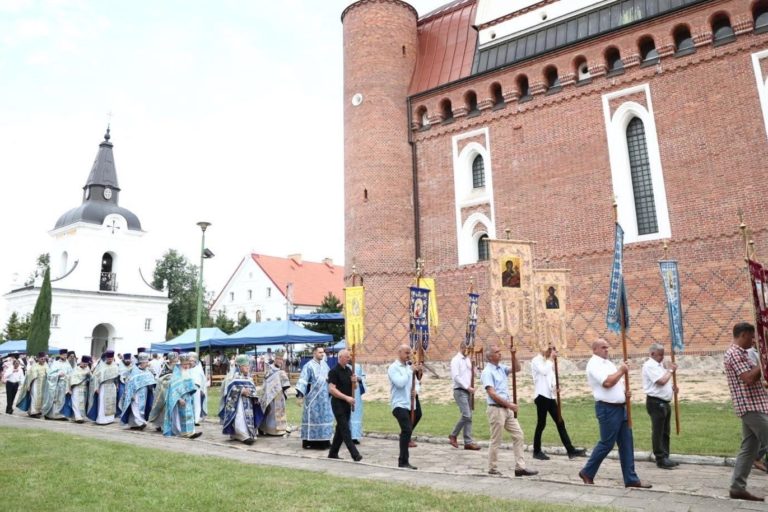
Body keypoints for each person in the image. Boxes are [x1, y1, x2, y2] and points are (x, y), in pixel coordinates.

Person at [578, 339, 650, 488]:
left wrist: (625, 393)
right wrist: (622, 370)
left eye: (607, 347)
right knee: (607, 443)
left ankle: (631, 479)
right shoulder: (594, 364)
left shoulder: (609, 364)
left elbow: (616, 383)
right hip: (607, 409)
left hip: (621, 408)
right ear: (595, 349)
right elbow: (607, 383)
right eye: (603, 347)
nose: (606, 349)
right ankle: (587, 472)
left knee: (627, 443)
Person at [724, 322, 768, 502]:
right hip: (751, 407)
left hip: (755, 405)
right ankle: (737, 487)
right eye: (751, 337)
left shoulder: (743, 353)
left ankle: (737, 488)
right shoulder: (734, 354)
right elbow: (749, 378)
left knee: (749, 449)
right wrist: (764, 361)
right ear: (742, 335)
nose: (753, 340)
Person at [481, 344, 537, 477]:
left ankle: (520, 467)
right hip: (496, 409)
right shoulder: (487, 372)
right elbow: (492, 394)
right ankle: (492, 468)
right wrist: (510, 405)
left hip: (507, 409)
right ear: (490, 356)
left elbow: (517, 368)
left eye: (500, 351)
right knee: (496, 439)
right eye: (497, 352)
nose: (500, 353)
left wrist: (513, 355)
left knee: (518, 435)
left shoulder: (501, 368)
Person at [531, 346, 585, 460]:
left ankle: (571, 451)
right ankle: (536, 451)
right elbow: (543, 372)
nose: (554, 353)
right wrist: (551, 359)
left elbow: (550, 378)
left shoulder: (548, 362)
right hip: (541, 396)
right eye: (552, 350)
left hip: (550, 397)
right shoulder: (536, 360)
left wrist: (554, 387)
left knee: (560, 422)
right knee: (541, 424)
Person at [642, 343, 678, 469]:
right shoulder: (649, 365)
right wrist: (671, 370)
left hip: (665, 402)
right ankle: (660, 458)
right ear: (652, 353)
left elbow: (665, 382)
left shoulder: (659, 365)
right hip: (656, 402)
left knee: (665, 432)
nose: (662, 357)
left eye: (663, 354)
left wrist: (672, 389)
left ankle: (666, 456)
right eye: (660, 354)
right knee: (658, 431)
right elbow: (661, 381)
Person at [387, 344, 422, 470]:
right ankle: (403, 461)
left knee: (418, 415)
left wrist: (416, 391)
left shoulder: (409, 366)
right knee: (407, 430)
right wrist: (410, 371)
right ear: (399, 352)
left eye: (409, 353)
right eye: (406, 353)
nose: (408, 355)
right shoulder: (393, 368)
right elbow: (400, 383)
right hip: (399, 403)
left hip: (410, 402)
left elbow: (417, 383)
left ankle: (405, 436)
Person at [327, 349, 363, 461]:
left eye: (349, 357)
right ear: (340, 357)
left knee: (340, 429)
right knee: (345, 429)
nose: (349, 359)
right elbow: (331, 389)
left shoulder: (349, 370)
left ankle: (333, 453)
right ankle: (355, 454)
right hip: (338, 403)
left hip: (347, 404)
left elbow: (355, 387)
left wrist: (354, 382)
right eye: (347, 357)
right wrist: (346, 397)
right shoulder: (333, 371)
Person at [296, 346, 334, 449]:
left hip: (325, 398)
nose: (322, 354)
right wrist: (300, 395)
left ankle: (324, 441)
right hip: (313, 398)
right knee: (314, 418)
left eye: (323, 352)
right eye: (320, 352)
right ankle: (310, 442)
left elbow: (330, 378)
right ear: (314, 353)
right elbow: (303, 381)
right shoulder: (308, 366)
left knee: (324, 418)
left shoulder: (325, 365)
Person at [220, 354, 263, 445]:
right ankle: (242, 435)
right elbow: (228, 391)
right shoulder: (232, 377)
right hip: (238, 403)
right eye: (245, 366)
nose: (247, 367)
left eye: (248, 365)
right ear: (239, 367)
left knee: (248, 418)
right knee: (239, 417)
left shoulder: (249, 378)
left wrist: (253, 395)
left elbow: (253, 389)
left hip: (248, 403)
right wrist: (241, 391)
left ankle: (244, 434)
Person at [448, 345, 481, 450]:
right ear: (462, 348)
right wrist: (467, 387)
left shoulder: (468, 360)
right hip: (460, 390)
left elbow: (474, 373)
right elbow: (456, 377)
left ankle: (468, 442)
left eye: (470, 349)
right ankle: (453, 435)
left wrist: (475, 367)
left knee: (469, 417)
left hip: (468, 391)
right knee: (466, 415)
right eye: (467, 349)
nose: (469, 351)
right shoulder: (456, 360)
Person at [163, 353, 202, 438]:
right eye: (184, 364)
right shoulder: (176, 374)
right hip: (179, 398)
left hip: (188, 397)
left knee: (189, 415)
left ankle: (190, 432)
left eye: (188, 364)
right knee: (180, 416)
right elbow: (173, 388)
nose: (186, 366)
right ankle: (182, 432)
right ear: (180, 363)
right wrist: (179, 399)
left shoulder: (187, 372)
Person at [120, 353, 156, 430]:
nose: (147, 364)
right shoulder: (134, 371)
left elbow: (151, 381)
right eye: (146, 362)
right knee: (135, 407)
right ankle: (140, 422)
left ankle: (134, 424)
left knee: (142, 408)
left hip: (145, 392)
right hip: (136, 393)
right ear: (142, 362)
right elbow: (129, 383)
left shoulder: (148, 371)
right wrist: (131, 394)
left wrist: (152, 385)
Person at [259, 351, 291, 436]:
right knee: (270, 412)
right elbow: (266, 382)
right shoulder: (269, 369)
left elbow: (285, 384)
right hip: (270, 395)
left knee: (280, 411)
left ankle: (280, 429)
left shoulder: (281, 370)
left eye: (281, 359)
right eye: (278, 359)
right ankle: (268, 429)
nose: (280, 361)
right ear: (275, 359)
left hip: (280, 395)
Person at [87, 350, 120, 425]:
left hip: (112, 386)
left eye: (111, 359)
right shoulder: (101, 366)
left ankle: (110, 419)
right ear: (106, 358)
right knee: (102, 403)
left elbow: (117, 377)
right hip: (103, 386)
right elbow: (95, 377)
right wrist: (96, 388)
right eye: (109, 359)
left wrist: (117, 385)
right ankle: (102, 420)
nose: (110, 360)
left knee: (111, 402)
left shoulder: (115, 366)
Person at [148, 352, 179, 431]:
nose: (176, 361)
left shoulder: (178, 366)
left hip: (173, 389)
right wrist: (168, 381)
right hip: (163, 390)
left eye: (177, 359)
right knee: (162, 408)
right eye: (175, 359)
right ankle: (160, 425)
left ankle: (171, 425)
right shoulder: (164, 366)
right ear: (171, 359)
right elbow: (160, 378)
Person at [14, 352, 48, 418]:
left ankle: (39, 411)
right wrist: (29, 385)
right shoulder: (34, 366)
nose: (43, 360)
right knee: (34, 398)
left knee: (41, 398)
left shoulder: (46, 365)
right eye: (42, 359)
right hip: (35, 384)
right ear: (38, 359)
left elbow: (49, 374)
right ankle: (33, 412)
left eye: (44, 359)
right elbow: (30, 376)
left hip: (43, 385)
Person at [42, 348, 73, 420]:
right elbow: (50, 375)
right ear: (60, 355)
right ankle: (51, 414)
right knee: (55, 399)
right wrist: (58, 374)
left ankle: (58, 414)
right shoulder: (55, 363)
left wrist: (68, 378)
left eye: (66, 355)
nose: (65, 356)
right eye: (64, 355)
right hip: (57, 384)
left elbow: (71, 374)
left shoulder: (68, 364)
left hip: (64, 385)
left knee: (61, 400)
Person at [67, 356, 92, 423]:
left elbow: (91, 378)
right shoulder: (76, 369)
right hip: (76, 387)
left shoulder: (88, 368)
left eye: (86, 364)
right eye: (84, 364)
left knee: (82, 403)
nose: (85, 365)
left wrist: (89, 376)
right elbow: (72, 378)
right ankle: (77, 417)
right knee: (76, 402)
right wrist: (70, 388)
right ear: (81, 362)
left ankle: (81, 416)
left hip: (84, 388)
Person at [189, 352, 208, 425]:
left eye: (192, 361)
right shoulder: (187, 368)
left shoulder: (198, 369)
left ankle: (196, 420)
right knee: (189, 404)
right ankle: (190, 419)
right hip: (187, 389)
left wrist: (201, 389)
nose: (191, 362)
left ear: (195, 361)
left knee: (196, 404)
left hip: (196, 388)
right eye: (190, 360)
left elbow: (202, 380)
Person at [350, 362, 366, 443]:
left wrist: (359, 379)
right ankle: (346, 436)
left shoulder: (357, 366)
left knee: (356, 414)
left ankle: (355, 436)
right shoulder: (343, 366)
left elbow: (363, 377)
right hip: (346, 391)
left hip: (356, 393)